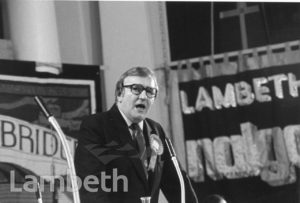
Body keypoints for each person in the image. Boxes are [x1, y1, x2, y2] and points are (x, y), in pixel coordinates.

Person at [75, 67, 198, 203]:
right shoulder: (96, 126)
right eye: (136, 89)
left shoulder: (156, 130)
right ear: (119, 94)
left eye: (150, 91)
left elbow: (177, 185)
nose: (144, 96)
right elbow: (92, 187)